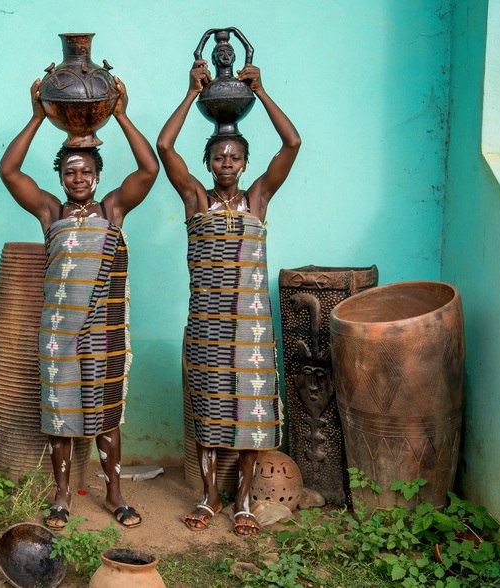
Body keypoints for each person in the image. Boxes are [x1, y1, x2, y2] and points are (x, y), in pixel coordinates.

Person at [0, 76, 159, 530]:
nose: (79, 178)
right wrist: (36, 118)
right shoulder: (52, 213)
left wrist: (123, 115)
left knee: (105, 414)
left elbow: (148, 171)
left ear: (98, 175)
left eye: (86, 171)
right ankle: (62, 497)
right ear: (60, 177)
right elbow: (9, 172)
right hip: (57, 335)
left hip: (103, 332)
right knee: (60, 415)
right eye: (70, 172)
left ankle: (114, 495)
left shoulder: (113, 210)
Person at [157, 59, 300, 536]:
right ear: (208, 162)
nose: (226, 165)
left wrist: (261, 91)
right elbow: (164, 146)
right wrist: (189, 91)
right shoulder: (195, 200)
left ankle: (241, 503)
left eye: (234, 158)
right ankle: (207, 497)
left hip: (252, 329)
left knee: (251, 417)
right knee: (210, 413)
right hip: (208, 326)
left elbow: (293, 143)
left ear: (245, 163)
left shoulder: (258, 199)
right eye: (218, 157)